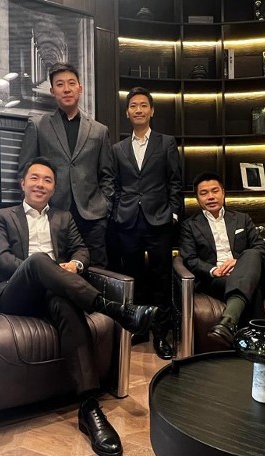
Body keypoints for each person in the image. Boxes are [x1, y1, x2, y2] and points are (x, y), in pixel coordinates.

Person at [0, 157, 158, 456]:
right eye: (35, 178)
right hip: (15, 295)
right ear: (23, 183)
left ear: (54, 188)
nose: (40, 184)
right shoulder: (2, 216)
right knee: (38, 260)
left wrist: (75, 265)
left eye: (48, 180)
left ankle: (89, 408)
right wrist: (45, 267)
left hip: (55, 292)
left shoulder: (64, 218)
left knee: (65, 303)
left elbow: (82, 250)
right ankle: (115, 309)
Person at [109, 87, 183, 360]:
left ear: (152, 111)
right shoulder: (118, 149)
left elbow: (175, 181)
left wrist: (173, 213)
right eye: (133, 106)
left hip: (159, 219)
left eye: (143, 105)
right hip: (128, 220)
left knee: (161, 278)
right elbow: (115, 185)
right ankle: (139, 328)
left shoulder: (166, 143)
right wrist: (117, 212)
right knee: (134, 276)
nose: (138, 110)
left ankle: (161, 333)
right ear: (127, 113)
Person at [19, 62, 113, 268]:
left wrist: (105, 206)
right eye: (60, 84)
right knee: (58, 271)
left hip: (92, 216)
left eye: (71, 83)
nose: (67, 89)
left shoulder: (99, 130)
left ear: (80, 88)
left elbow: (107, 175)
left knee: (97, 271)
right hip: (53, 214)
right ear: (52, 91)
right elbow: (26, 169)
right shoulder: (38, 125)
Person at [179, 172, 265, 348]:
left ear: (223, 192)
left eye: (215, 191)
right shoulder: (189, 225)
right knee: (253, 287)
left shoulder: (242, 218)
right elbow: (190, 259)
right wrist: (213, 270)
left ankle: (228, 323)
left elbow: (262, 248)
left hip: (245, 270)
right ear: (197, 198)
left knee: (251, 254)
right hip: (217, 278)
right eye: (204, 193)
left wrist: (239, 262)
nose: (210, 196)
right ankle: (260, 340)